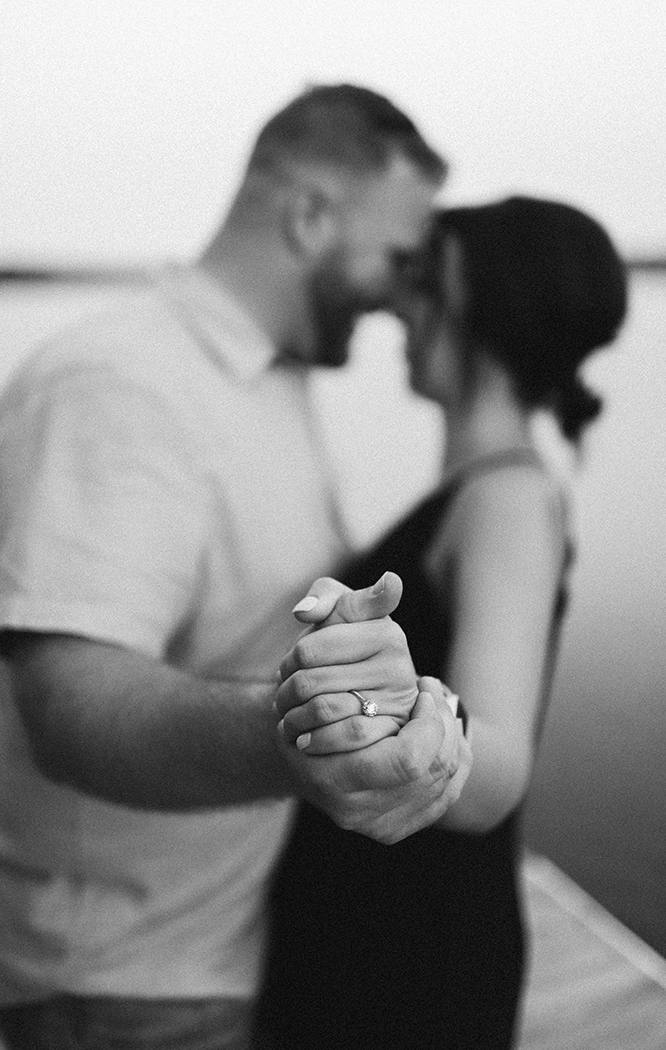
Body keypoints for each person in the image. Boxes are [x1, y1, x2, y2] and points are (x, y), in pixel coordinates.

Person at [0, 84, 470, 1050]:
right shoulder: (121, 383)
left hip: (218, 944)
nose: (401, 290)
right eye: (399, 255)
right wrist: (307, 735)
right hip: (120, 982)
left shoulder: (266, 376)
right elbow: (70, 704)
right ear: (310, 214)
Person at [255, 195, 628, 1050]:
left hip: (411, 954)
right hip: (372, 924)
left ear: (468, 306)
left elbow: (497, 764)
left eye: (421, 283)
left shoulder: (507, 500)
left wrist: (401, 715)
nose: (398, 310)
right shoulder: (482, 488)